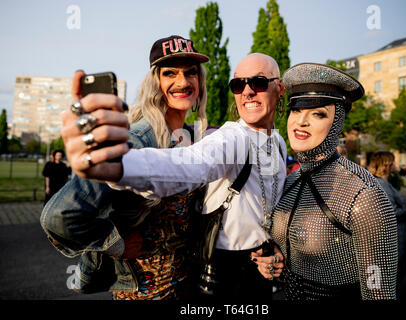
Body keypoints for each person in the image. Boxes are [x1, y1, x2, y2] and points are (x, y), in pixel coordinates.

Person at [58, 52, 287, 301]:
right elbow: (188, 166)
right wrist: (118, 165)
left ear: (280, 88)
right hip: (216, 276)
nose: (248, 91)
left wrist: (271, 248)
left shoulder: (277, 143)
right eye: (238, 84)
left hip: (235, 274)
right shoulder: (231, 138)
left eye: (259, 82)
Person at [41, 35, 210, 300]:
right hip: (142, 292)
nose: (183, 82)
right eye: (170, 73)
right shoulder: (138, 139)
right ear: (155, 82)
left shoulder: (194, 137)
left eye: (191, 73)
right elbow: (59, 217)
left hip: (186, 287)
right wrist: (115, 243)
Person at [253, 63, 398, 301]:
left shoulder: (364, 194)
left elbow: (379, 292)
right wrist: (272, 260)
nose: (301, 121)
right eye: (297, 110)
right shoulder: (288, 183)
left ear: (337, 124)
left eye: (318, 113)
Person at [368, 151, 406, 296]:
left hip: (396, 236)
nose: (396, 165)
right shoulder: (381, 184)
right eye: (393, 162)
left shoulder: (382, 182)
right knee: (392, 280)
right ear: (386, 164)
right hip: (395, 237)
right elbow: (390, 212)